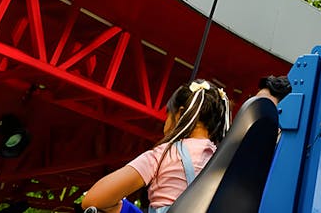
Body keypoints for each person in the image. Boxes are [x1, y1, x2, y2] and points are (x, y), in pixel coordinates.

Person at [79, 79, 229, 213]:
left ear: (180, 114)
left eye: (167, 114)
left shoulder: (165, 154)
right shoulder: (228, 161)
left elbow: (93, 200)